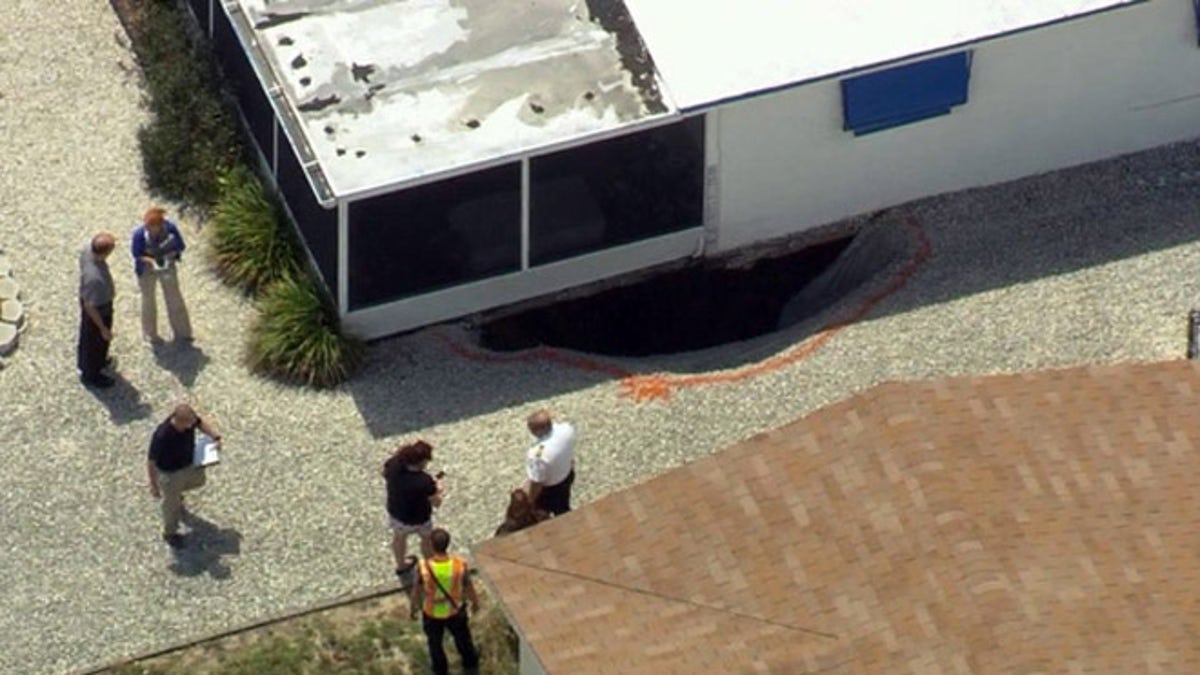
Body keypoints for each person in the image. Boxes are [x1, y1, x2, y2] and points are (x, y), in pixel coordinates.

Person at [147, 403, 222, 548]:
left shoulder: (190, 421)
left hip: (188, 464)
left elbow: (200, 423)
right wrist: (153, 484)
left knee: (199, 481)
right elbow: (151, 461)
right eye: (189, 424)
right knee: (171, 505)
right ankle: (170, 533)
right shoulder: (162, 436)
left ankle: (176, 493)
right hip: (170, 474)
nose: (192, 426)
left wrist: (215, 437)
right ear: (179, 421)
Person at [409, 528, 480, 675]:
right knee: (463, 639)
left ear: (431, 545)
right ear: (448, 544)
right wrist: (475, 602)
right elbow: (468, 586)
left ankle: (440, 670)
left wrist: (413, 608)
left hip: (432, 613)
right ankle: (470, 663)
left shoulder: (424, 567)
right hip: (455, 610)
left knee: (435, 644)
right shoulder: (459, 565)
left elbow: (416, 590)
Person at [383, 440, 444, 584]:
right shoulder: (424, 481)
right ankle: (429, 567)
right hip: (420, 518)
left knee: (399, 538)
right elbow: (437, 503)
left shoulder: (393, 465)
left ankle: (401, 565)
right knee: (426, 540)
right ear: (421, 462)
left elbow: (385, 473)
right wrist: (438, 488)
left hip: (397, 513)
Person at [131, 207, 192, 344]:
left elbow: (181, 246)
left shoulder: (170, 229)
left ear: (160, 225)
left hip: (167, 266)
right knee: (148, 301)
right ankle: (150, 334)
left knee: (174, 298)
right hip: (147, 270)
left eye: (151, 226)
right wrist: (151, 261)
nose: (148, 227)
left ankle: (183, 333)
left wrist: (170, 255)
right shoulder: (139, 234)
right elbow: (137, 254)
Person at [77, 232, 118, 388]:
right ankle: (91, 374)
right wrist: (102, 328)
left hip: (96, 301)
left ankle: (100, 361)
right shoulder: (95, 279)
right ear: (105, 253)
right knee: (93, 342)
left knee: (101, 343)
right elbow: (89, 306)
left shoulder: (87, 250)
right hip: (97, 311)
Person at [524, 409, 576, 516]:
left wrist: (529, 500)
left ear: (537, 431)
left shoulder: (537, 455)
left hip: (551, 489)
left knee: (541, 512)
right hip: (567, 475)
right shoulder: (566, 429)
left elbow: (537, 482)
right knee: (563, 505)